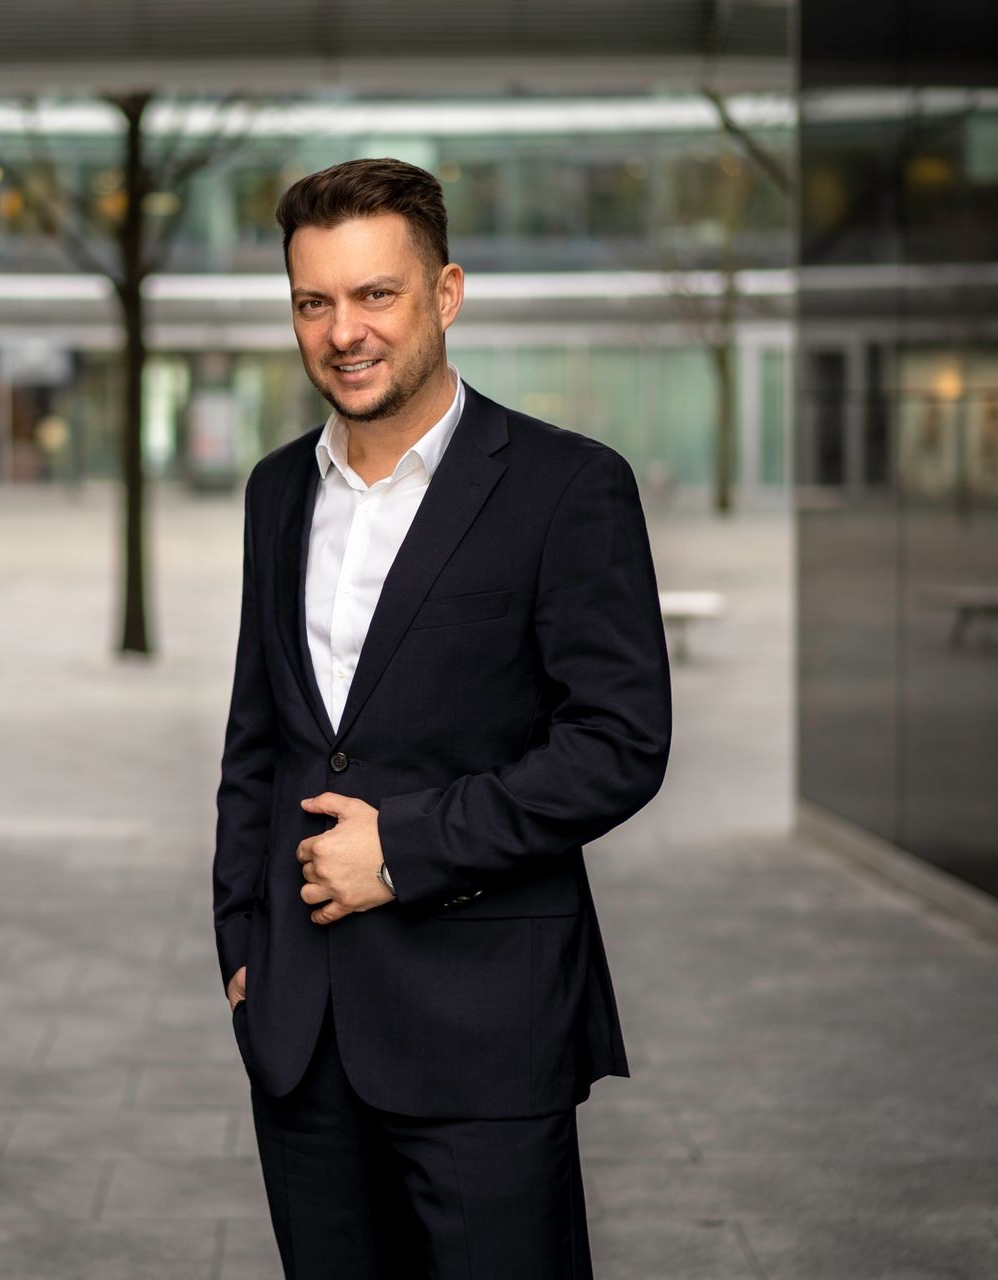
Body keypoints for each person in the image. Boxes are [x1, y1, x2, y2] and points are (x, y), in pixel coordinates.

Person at [210, 157, 673, 1279]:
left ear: (447, 293)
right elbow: (259, 737)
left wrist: (405, 849)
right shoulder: (278, 490)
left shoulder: (568, 485)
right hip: (302, 1030)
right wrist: (242, 936)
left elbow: (619, 745)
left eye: (377, 294)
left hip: (484, 1025)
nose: (344, 331)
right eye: (314, 301)